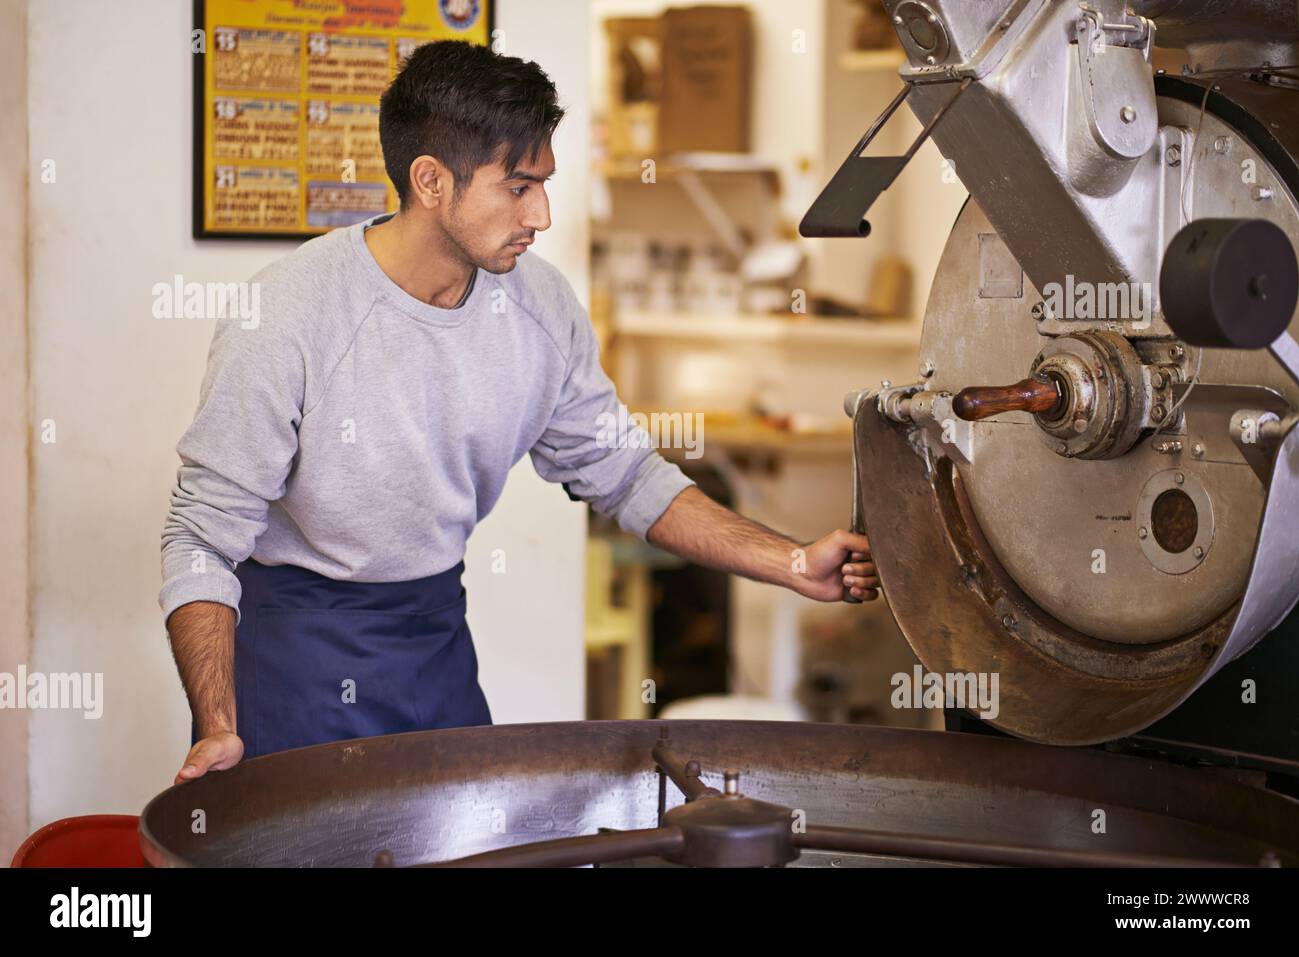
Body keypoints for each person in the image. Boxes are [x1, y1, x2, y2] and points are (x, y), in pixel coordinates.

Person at [160, 40, 877, 785]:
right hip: (293, 655)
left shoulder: (540, 308)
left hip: (432, 642)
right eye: (518, 186)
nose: (541, 213)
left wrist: (791, 562)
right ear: (431, 182)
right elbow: (201, 537)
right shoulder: (286, 316)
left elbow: (628, 475)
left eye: (545, 183)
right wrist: (218, 724)